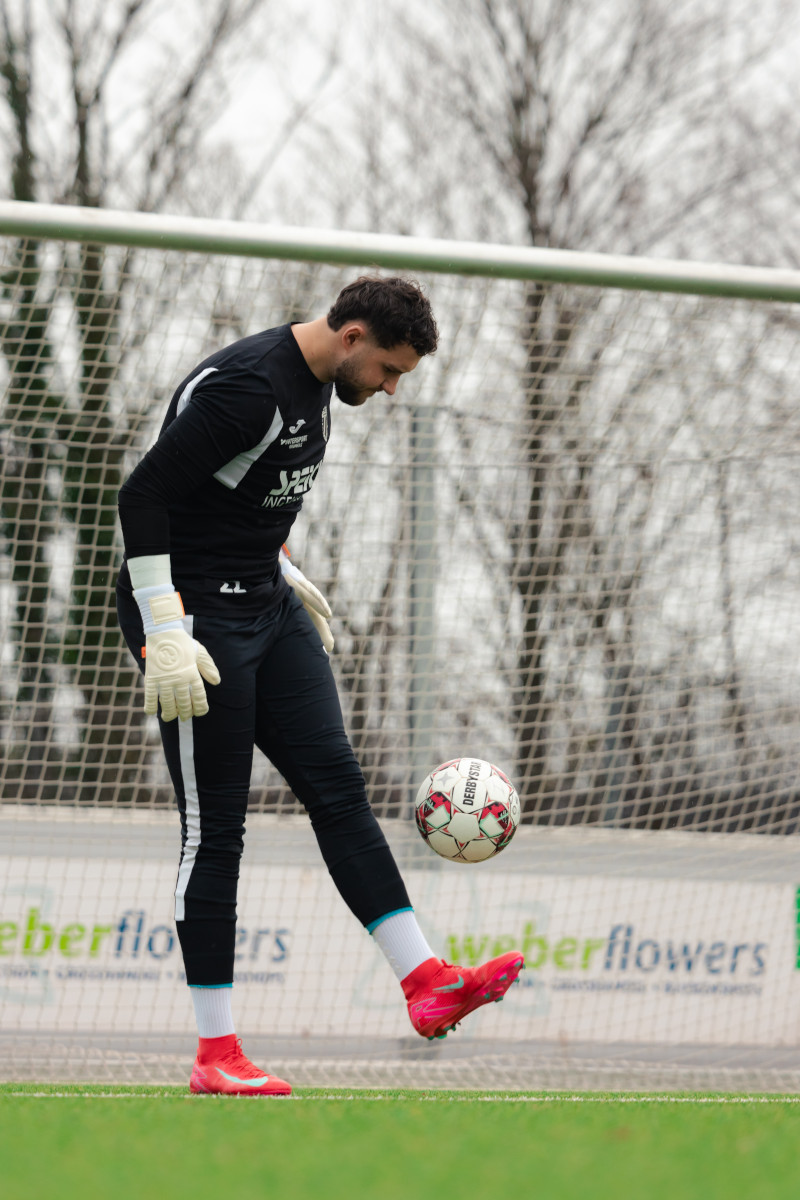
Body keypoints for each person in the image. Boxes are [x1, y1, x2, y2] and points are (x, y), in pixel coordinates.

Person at [116, 275, 524, 1096]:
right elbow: (146, 494)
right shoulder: (249, 388)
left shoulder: (322, 388)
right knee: (216, 829)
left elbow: (235, 495)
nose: (392, 388)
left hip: (265, 607)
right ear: (352, 337)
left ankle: (426, 981)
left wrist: (280, 564)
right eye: (389, 370)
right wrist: (163, 625)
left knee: (339, 787)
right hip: (195, 625)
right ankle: (215, 1053)